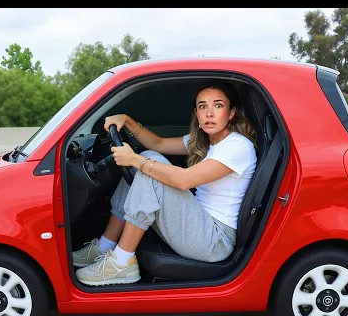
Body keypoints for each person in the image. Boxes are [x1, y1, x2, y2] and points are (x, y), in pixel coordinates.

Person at [72, 80, 258, 286]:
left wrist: (134, 159)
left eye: (218, 105)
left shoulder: (238, 146)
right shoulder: (205, 141)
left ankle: (122, 262)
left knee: (149, 166)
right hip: (199, 222)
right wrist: (127, 120)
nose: (209, 113)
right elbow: (157, 143)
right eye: (202, 106)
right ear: (196, 114)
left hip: (215, 240)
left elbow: (184, 180)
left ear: (231, 113)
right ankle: (104, 246)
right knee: (149, 159)